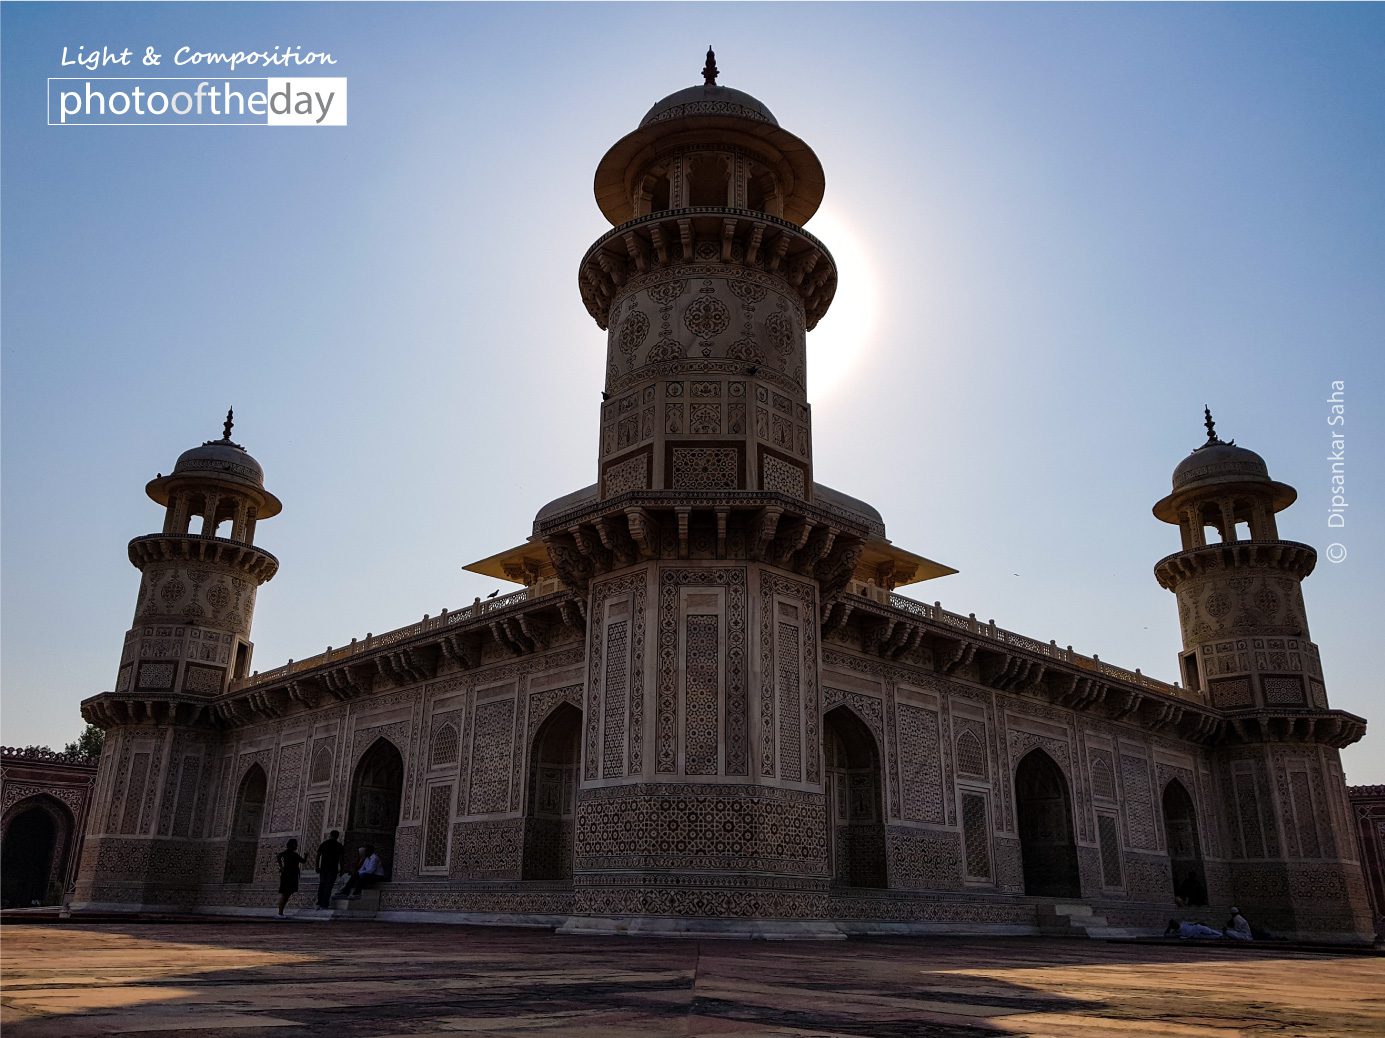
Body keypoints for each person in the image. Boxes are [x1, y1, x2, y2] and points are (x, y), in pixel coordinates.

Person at [275, 838, 307, 917]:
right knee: (285, 894)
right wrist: (281, 867)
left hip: (291, 875)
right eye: (295, 844)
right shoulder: (288, 853)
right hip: (288, 875)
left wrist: (306, 856)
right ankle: (280, 913)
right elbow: (278, 856)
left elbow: (303, 861)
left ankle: (281, 912)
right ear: (292, 845)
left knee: (287, 894)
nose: (296, 846)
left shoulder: (293, 854)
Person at [314, 830, 344, 909]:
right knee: (329, 886)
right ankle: (324, 903)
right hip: (333, 869)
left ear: (330, 835)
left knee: (322, 885)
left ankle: (319, 902)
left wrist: (317, 866)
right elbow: (341, 859)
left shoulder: (324, 844)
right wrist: (342, 869)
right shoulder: (339, 845)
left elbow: (318, 855)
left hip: (324, 868)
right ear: (337, 836)